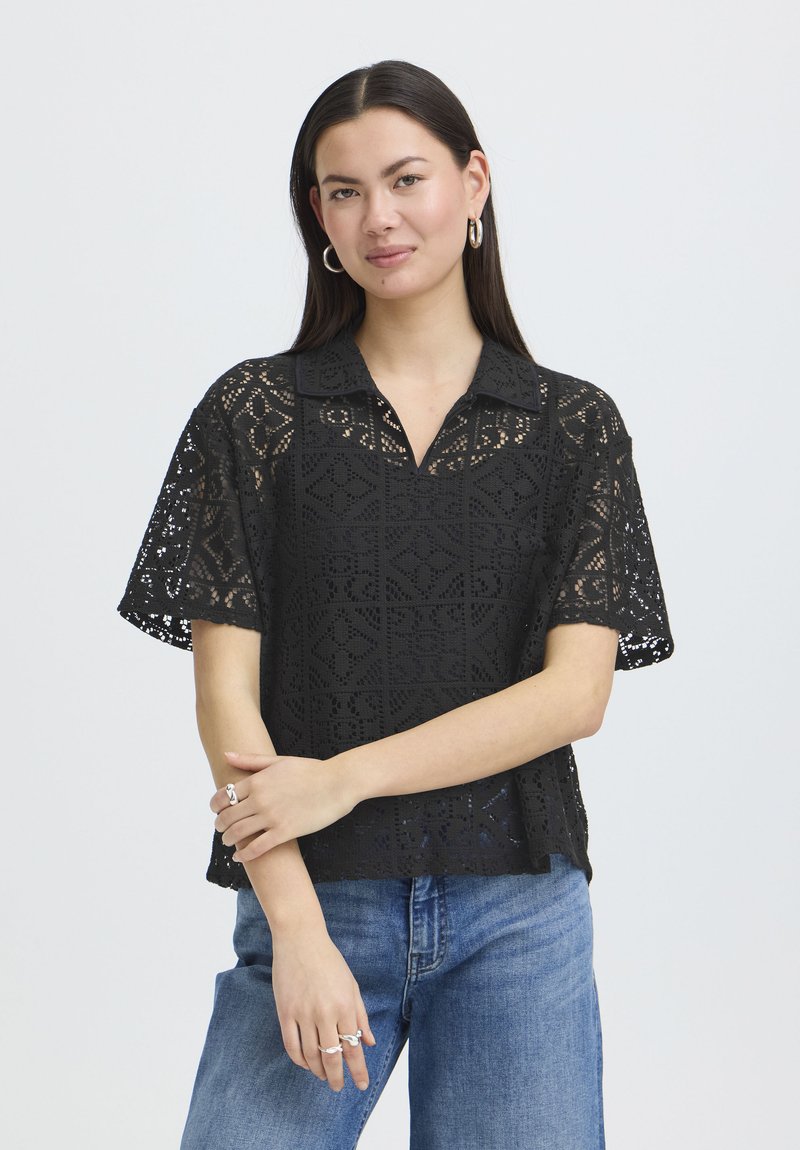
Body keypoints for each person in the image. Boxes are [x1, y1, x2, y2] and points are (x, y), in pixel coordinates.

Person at [118, 59, 673, 1150]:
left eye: (406, 179)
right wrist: (294, 928)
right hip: (316, 898)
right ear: (318, 217)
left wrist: (345, 776)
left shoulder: (572, 429)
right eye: (344, 191)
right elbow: (227, 703)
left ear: (473, 184)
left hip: (518, 912)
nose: (379, 216)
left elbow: (574, 696)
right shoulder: (256, 414)